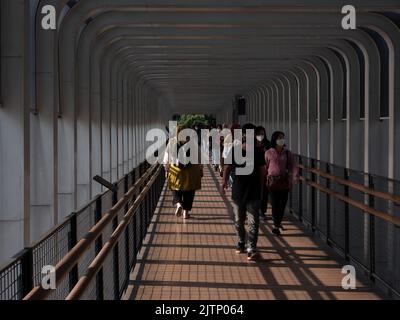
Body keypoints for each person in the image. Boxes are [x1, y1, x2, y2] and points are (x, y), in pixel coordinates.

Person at [222, 123, 266, 261]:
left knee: (253, 221)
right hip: (239, 190)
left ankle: (251, 247)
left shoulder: (259, 151)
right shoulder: (235, 150)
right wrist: (224, 182)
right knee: (239, 220)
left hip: (253, 190)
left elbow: (261, 171)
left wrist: (262, 187)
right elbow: (227, 167)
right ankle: (241, 241)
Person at [163, 125, 203, 219]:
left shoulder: (171, 142)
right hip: (191, 171)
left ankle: (178, 204)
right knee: (189, 191)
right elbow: (199, 157)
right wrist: (200, 168)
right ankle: (186, 212)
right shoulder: (192, 142)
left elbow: (166, 158)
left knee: (175, 188)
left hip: (176, 171)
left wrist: (166, 168)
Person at [264, 131, 299, 236]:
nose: (281, 139)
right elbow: (265, 167)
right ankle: (276, 225)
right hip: (272, 182)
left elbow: (293, 165)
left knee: (282, 204)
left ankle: (277, 223)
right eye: (279, 138)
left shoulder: (288, 153)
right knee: (274, 204)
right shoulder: (269, 152)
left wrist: (295, 176)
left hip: (284, 182)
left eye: (283, 138)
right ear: (274, 139)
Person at [256, 126, 271, 220]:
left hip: (265, 172)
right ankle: (255, 210)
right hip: (255, 172)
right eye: (258, 134)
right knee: (256, 191)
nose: (260, 135)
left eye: (262, 133)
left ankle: (262, 211)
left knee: (264, 192)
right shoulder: (252, 144)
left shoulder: (268, 144)